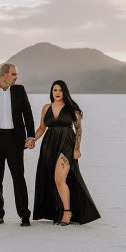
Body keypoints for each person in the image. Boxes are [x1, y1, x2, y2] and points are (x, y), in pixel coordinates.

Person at [32, 80, 100, 225]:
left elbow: (79, 130)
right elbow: (42, 128)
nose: (57, 93)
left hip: (66, 145)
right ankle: (57, 210)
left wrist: (77, 149)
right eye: (55, 90)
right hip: (49, 146)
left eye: (60, 90)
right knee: (50, 179)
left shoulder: (72, 109)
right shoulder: (46, 108)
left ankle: (67, 212)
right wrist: (32, 139)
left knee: (59, 179)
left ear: (65, 92)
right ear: (51, 92)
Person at [0, 63, 36, 227]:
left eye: (16, 74)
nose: (16, 77)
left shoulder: (19, 90)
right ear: (4, 75)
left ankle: (24, 215)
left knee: (19, 178)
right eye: (13, 74)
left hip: (15, 140)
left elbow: (27, 114)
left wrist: (30, 136)